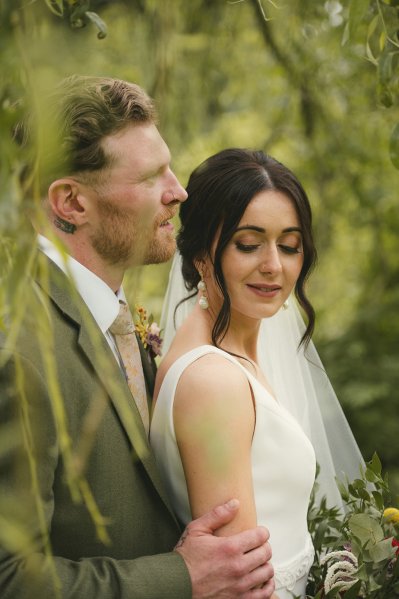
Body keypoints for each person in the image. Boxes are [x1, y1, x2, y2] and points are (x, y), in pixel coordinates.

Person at [0, 78, 276, 598]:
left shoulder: (113, 322)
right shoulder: (19, 348)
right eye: (152, 176)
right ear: (71, 203)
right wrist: (181, 577)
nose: (179, 191)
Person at [150, 149, 364, 599]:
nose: (274, 265)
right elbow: (237, 583)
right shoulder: (213, 380)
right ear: (202, 254)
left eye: (289, 245)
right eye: (248, 244)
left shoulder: (236, 355)